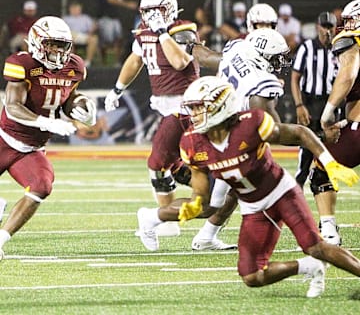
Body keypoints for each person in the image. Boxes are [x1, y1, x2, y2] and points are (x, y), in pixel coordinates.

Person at [137, 76, 360, 298]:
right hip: (253, 206)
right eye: (192, 109)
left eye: (198, 108)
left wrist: (329, 162)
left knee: (316, 247)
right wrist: (194, 205)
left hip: (281, 193)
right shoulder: (192, 143)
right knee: (252, 276)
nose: (193, 115)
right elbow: (202, 194)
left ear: (220, 106)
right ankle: (309, 267)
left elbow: (299, 133)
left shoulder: (251, 124)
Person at [104, 0, 199, 237]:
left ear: (168, 9)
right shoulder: (145, 32)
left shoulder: (182, 29)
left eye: (154, 11)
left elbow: (180, 62)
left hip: (185, 106)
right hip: (167, 107)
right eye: (146, 12)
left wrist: (161, 33)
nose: (150, 17)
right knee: (177, 167)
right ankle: (219, 188)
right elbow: (135, 60)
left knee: (157, 165)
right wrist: (117, 89)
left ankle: (167, 222)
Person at [0, 16, 96, 260]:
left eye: (61, 45)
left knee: (42, 186)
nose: (56, 51)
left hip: (33, 148)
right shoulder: (22, 64)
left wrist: (82, 106)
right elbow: (12, 106)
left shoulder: (74, 67)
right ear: (36, 41)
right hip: (5, 139)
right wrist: (45, 121)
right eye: (51, 44)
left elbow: (68, 98)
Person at [192, 27, 291, 251]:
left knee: (236, 191)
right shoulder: (260, 86)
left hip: (223, 131)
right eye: (275, 59)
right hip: (230, 140)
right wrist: (315, 137)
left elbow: (207, 57)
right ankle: (154, 218)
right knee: (221, 200)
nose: (279, 64)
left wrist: (191, 45)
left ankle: (207, 236)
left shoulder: (238, 50)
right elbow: (274, 132)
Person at [311, 0, 360, 247]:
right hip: (354, 122)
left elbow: (348, 73)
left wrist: (328, 113)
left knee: (321, 170)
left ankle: (329, 231)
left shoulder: (352, 39)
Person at [291, 11, 340, 190]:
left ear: (335, 29)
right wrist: (299, 105)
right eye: (324, 26)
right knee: (305, 152)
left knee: (330, 152)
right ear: (317, 27)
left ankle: (326, 193)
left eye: (330, 27)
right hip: (310, 103)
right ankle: (296, 190)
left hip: (330, 104)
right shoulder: (307, 48)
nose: (327, 31)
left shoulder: (338, 50)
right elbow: (295, 78)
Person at [95, 0, 138, 66]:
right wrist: (127, 4)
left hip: (115, 18)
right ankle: (103, 64)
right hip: (105, 17)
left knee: (118, 39)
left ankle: (117, 62)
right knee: (105, 41)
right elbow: (110, 0)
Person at [63, 1, 99, 68]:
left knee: (94, 39)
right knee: (69, 39)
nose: (75, 10)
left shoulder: (85, 18)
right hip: (71, 36)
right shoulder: (66, 19)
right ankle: (71, 62)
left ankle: (88, 62)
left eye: (77, 9)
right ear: (70, 9)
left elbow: (92, 28)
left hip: (83, 36)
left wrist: (93, 28)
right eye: (74, 9)